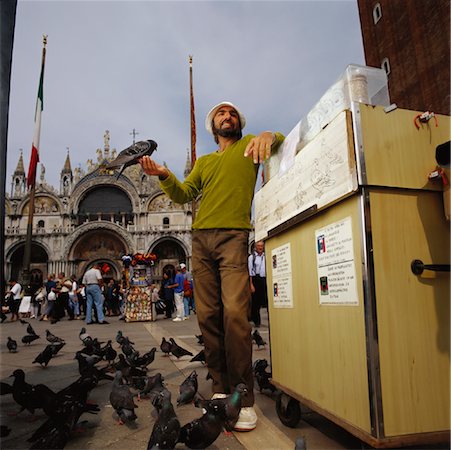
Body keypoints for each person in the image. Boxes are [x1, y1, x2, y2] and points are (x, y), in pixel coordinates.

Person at [139, 100, 283, 431]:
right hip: (200, 240)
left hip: (233, 236)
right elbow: (183, 193)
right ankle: (220, 389)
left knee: (235, 312)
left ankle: (244, 400)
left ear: (239, 123)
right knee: (207, 316)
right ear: (213, 125)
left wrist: (268, 134)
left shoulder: (249, 146)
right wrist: (163, 174)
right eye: (221, 113)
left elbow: (280, 138)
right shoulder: (204, 162)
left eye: (232, 113)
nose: (227, 116)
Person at [248, 240, 268, 328]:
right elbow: (250, 271)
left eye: (262, 246)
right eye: (259, 246)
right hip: (256, 279)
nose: (260, 248)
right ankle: (257, 321)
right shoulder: (252, 258)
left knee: (264, 300)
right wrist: (251, 284)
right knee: (255, 302)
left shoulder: (265, 256)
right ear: (255, 247)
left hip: (264, 279)